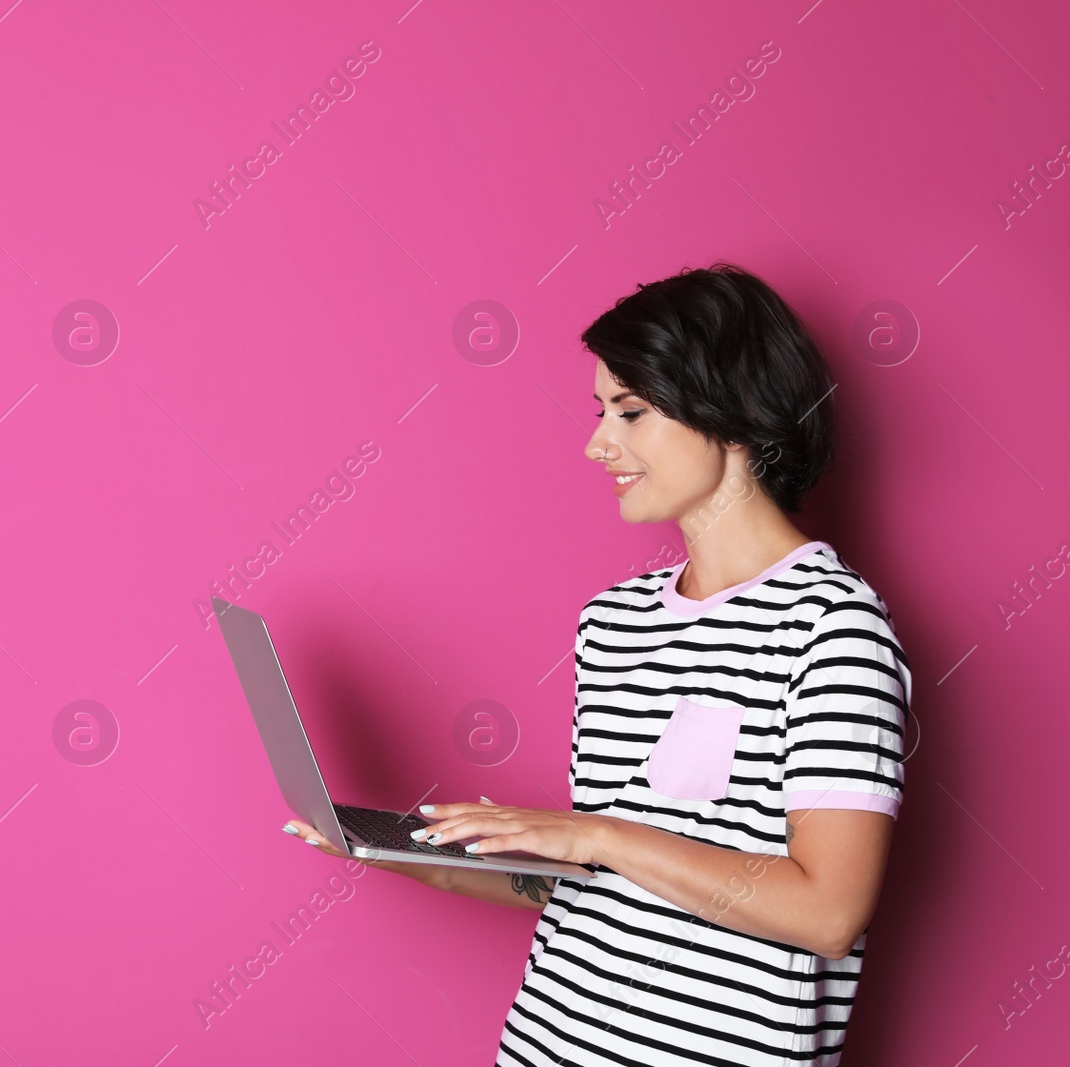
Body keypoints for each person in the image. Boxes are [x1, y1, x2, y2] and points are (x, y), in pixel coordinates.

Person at [284, 262, 911, 1066]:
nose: (597, 443)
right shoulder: (612, 622)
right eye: (601, 411)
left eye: (632, 411)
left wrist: (592, 833)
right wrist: (420, 858)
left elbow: (828, 910)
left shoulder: (833, 625)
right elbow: (597, 886)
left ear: (739, 415)